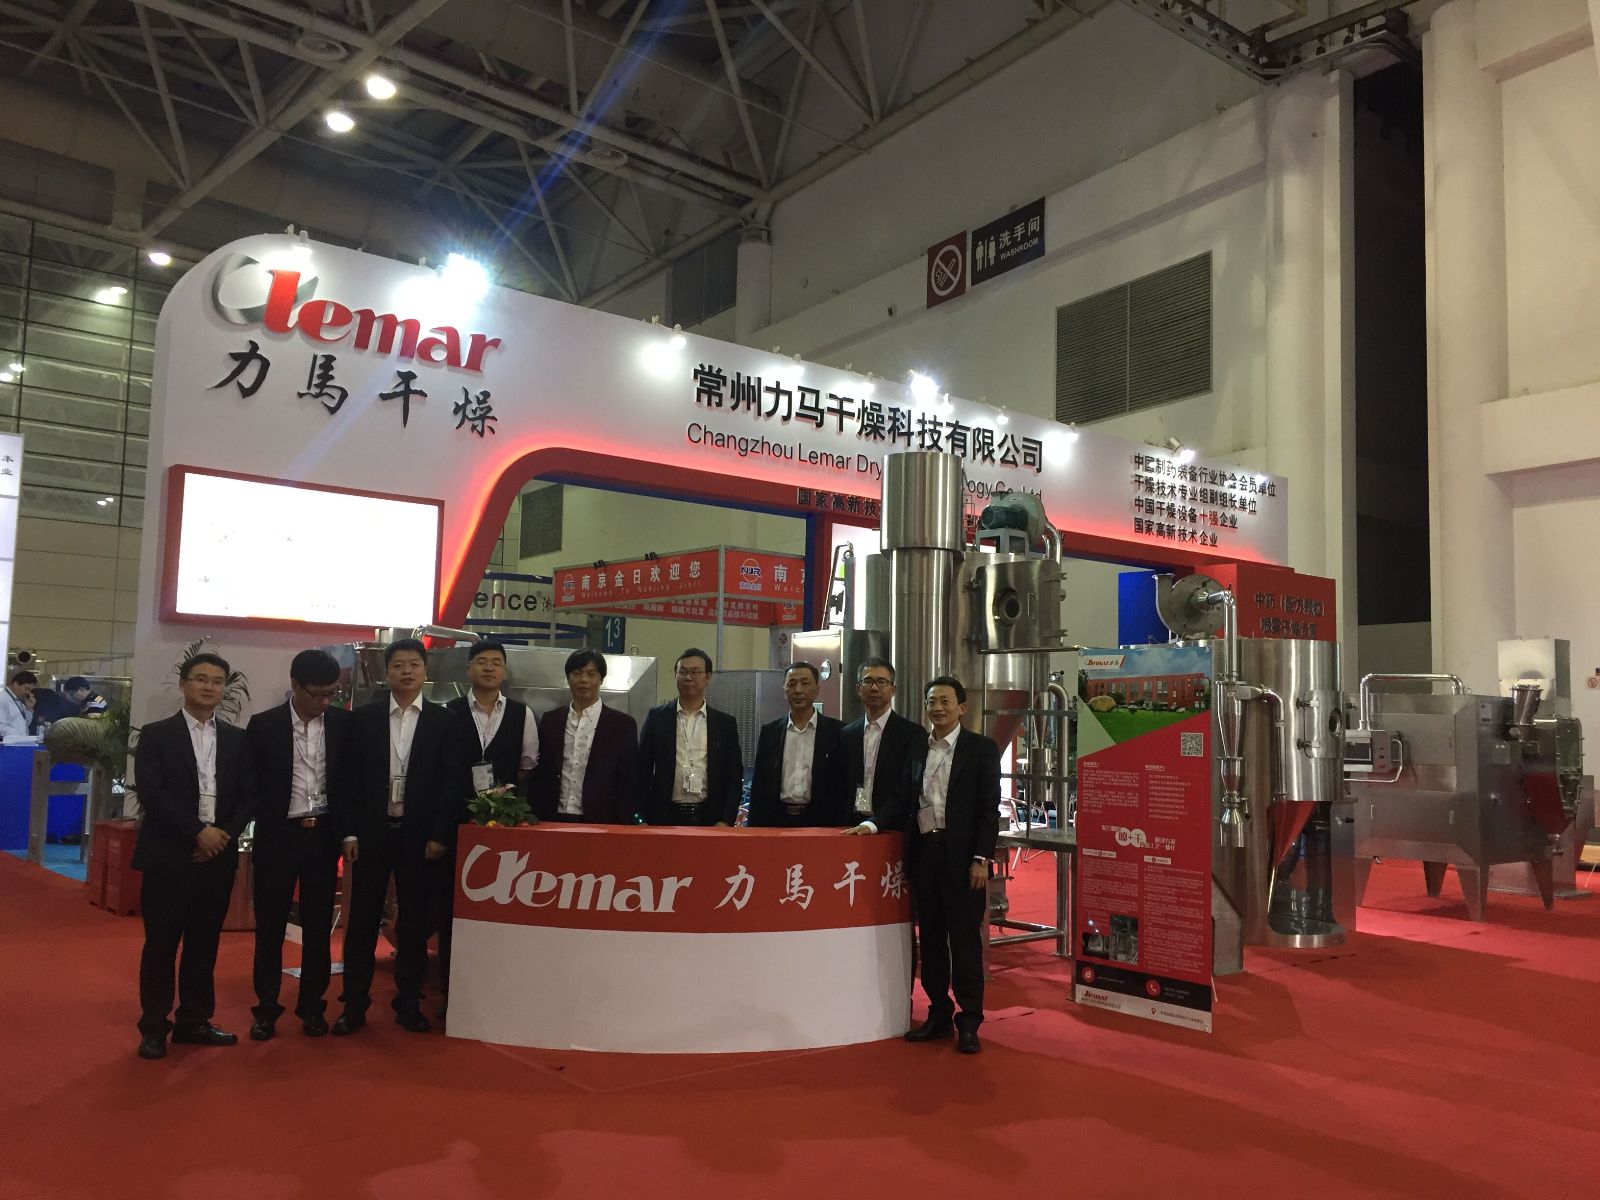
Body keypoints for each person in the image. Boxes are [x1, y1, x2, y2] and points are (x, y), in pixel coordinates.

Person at [857, 675, 1000, 1055]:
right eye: (931, 701)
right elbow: (903, 796)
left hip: (964, 860)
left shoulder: (981, 749)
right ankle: (938, 1013)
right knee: (932, 941)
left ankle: (969, 1021)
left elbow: (988, 810)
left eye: (944, 701)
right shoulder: (918, 747)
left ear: (962, 708)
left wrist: (981, 858)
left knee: (964, 942)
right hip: (926, 855)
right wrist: (872, 824)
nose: (937, 708)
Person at [335, 638, 469, 1036]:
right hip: (371, 833)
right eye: (398, 665)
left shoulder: (445, 721)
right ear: (387, 672)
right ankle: (353, 1005)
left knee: (413, 922)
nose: (406, 671)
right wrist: (349, 831)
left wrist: (440, 835)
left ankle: (408, 1003)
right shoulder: (363, 718)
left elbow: (453, 783)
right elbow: (346, 780)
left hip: (420, 837)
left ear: (425, 672)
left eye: (414, 664)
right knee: (362, 921)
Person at [131, 652, 257, 1060]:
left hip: (216, 857)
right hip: (170, 856)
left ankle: (194, 1021)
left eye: (217, 681)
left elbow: (248, 795)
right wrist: (197, 832)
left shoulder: (237, 739)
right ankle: (154, 1028)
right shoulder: (157, 735)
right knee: (161, 945)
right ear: (184, 684)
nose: (209, 687)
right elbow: (152, 792)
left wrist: (222, 836)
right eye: (201, 679)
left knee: (204, 945)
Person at [244, 649, 355, 1040]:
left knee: (318, 928)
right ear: (295, 685)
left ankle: (312, 1007)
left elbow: (351, 784)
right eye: (318, 694)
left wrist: (348, 833)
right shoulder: (264, 725)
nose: (325, 701)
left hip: (322, 837)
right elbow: (250, 783)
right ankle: (266, 1010)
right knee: (270, 928)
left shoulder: (343, 725)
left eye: (331, 693)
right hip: (278, 836)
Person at [529, 648, 638, 823]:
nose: (584, 680)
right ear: (568, 678)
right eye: (577, 673)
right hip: (553, 817)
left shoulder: (622, 725)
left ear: (601, 679)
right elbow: (541, 773)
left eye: (591, 674)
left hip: (601, 820)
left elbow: (629, 780)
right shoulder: (551, 720)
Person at [636, 648, 742, 826]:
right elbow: (641, 770)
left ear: (708, 677)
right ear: (675, 675)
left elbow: (734, 776)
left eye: (695, 672)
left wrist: (726, 820)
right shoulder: (657, 718)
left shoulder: (725, 724)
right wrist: (640, 818)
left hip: (709, 817)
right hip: (663, 816)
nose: (688, 677)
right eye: (682, 672)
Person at [747, 662, 849, 827]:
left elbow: (844, 785)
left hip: (821, 821)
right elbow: (759, 784)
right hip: (777, 820)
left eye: (805, 683)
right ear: (784, 690)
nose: (798, 690)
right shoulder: (770, 731)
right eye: (792, 684)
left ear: (817, 689)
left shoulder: (837, 731)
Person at [444, 640, 538, 798]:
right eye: (481, 662)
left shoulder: (522, 713)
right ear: (468, 669)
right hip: (455, 806)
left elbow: (527, 766)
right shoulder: (448, 711)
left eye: (496, 663)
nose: (489, 668)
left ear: (505, 672)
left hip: (504, 808)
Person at [839, 657, 924, 825]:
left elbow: (908, 786)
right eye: (868, 681)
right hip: (854, 823)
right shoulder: (848, 733)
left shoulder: (912, 734)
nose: (874, 688)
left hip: (894, 825)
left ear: (893, 690)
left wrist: (877, 821)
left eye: (881, 682)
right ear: (858, 689)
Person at [0, 670, 37, 740]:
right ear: (16, 683)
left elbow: (25, 723)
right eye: (26, 689)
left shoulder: (18, 700)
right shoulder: (2, 699)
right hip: (9, 743)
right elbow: (1, 726)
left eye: (30, 690)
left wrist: (29, 708)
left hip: (19, 741)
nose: (28, 693)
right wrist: (19, 736)